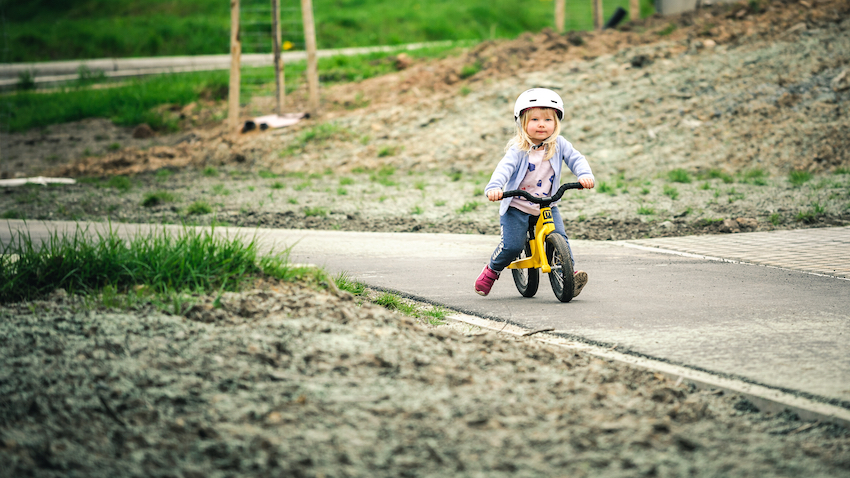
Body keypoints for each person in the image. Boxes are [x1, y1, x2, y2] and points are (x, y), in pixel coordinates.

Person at [475, 88, 595, 298]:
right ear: (522, 122)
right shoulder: (518, 149)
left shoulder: (559, 144)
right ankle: (492, 271)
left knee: (560, 237)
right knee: (512, 246)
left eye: (548, 120)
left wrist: (584, 175)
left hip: (547, 204)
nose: (542, 124)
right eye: (535, 119)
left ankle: (568, 274)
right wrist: (494, 187)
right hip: (517, 205)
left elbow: (576, 159)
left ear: (556, 123)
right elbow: (504, 169)